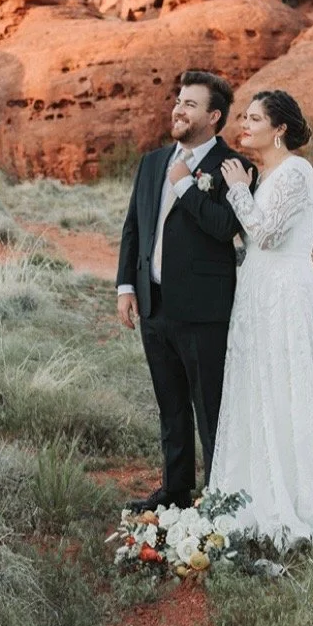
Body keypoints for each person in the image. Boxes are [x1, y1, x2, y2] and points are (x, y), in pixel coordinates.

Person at [209, 89, 313, 547]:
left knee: (290, 386)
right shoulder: (266, 176)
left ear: (280, 128)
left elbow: (265, 234)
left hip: (286, 295)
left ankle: (300, 495)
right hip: (258, 294)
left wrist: (238, 192)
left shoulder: (296, 171)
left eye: (255, 119)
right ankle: (255, 482)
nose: (244, 126)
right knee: (259, 386)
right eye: (243, 118)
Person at [116, 70, 256, 513]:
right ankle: (175, 491)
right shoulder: (152, 162)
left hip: (203, 312)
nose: (179, 109)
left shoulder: (235, 168)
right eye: (178, 101)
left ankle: (217, 500)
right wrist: (126, 285)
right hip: (154, 305)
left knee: (211, 414)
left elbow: (223, 229)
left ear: (213, 116)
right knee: (171, 407)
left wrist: (184, 183)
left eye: (190, 104)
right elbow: (135, 225)